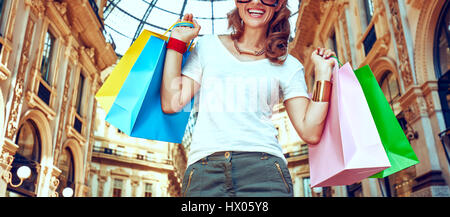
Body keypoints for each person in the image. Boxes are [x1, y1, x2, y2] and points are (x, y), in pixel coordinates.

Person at [161, 0, 336, 197]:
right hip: (205, 172)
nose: (255, 2)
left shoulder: (289, 64)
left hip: (264, 171)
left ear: (278, 5)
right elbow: (171, 103)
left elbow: (310, 131)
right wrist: (177, 43)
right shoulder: (208, 46)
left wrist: (322, 75)